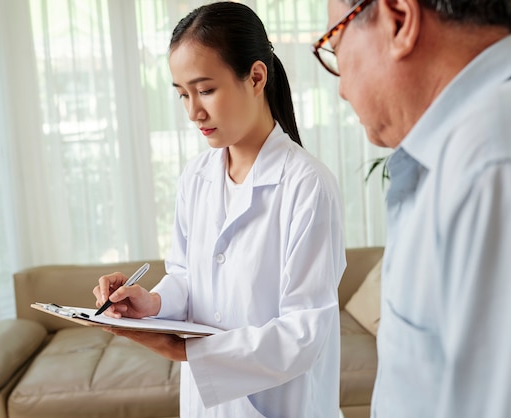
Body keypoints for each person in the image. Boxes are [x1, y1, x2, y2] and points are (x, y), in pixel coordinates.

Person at [313, 0, 511, 416]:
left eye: (335, 44)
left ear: (399, 21)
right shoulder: (491, 141)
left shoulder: (500, 158)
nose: (341, 87)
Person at [94, 2, 346, 417]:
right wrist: (152, 304)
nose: (193, 112)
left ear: (256, 77)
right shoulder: (197, 177)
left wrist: (190, 351)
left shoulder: (307, 185)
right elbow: (186, 276)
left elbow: (305, 334)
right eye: (182, 95)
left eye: (206, 90)